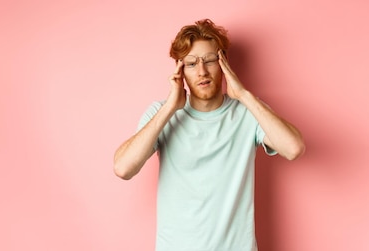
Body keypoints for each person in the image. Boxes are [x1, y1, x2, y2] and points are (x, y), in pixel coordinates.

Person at [113, 19, 305, 251]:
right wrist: (169, 109)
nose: (202, 71)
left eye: (210, 60)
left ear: (223, 63)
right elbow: (123, 168)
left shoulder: (248, 112)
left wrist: (243, 94)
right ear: (180, 69)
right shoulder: (161, 113)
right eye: (192, 63)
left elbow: (294, 148)